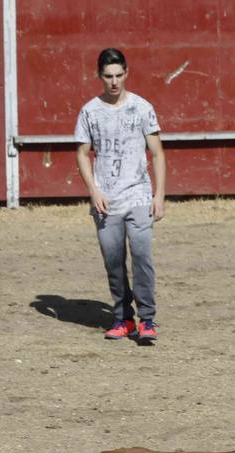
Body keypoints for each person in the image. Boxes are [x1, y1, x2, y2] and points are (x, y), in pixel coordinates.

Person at [74, 47, 166, 344]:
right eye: (108, 76)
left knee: (141, 257)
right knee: (113, 262)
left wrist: (159, 194)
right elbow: (82, 153)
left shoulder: (142, 108)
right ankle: (123, 318)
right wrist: (93, 190)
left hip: (139, 195)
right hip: (106, 200)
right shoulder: (90, 111)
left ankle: (148, 319)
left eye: (118, 75)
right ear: (99, 76)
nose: (114, 82)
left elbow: (157, 152)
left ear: (126, 74)